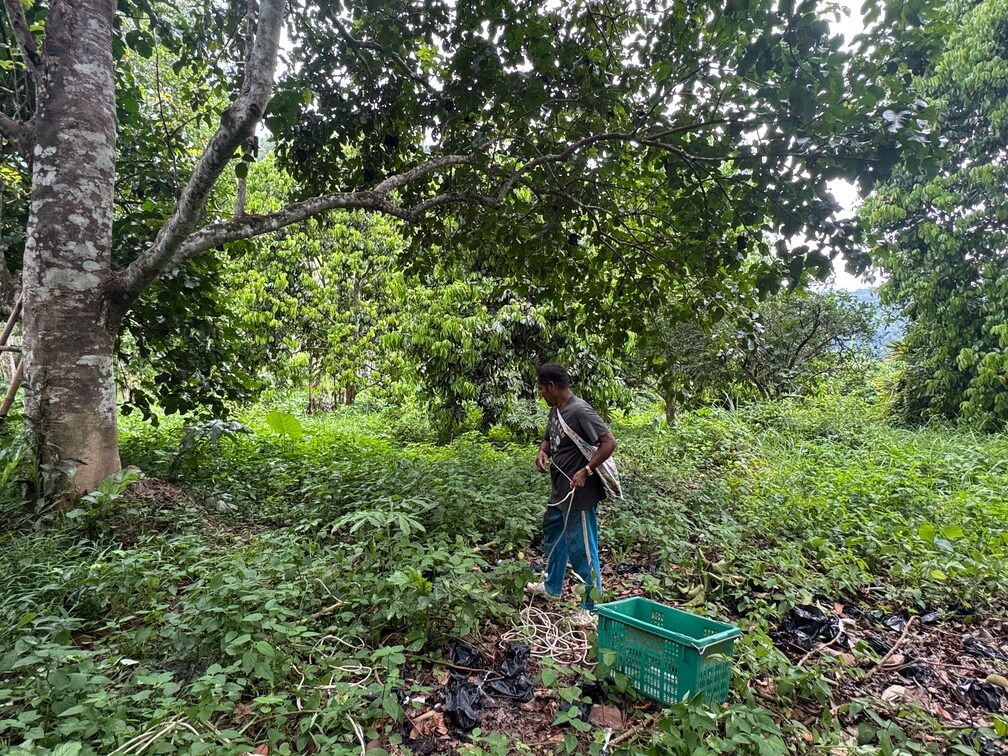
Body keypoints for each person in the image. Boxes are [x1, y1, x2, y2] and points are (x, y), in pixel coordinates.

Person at [526, 363, 617, 627]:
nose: (541, 394)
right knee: (554, 537)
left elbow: (609, 442)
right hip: (559, 491)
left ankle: (591, 606)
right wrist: (543, 451)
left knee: (583, 548)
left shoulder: (580, 410)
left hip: (579, 493)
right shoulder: (556, 410)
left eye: (542, 389)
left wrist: (586, 470)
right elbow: (550, 438)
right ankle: (552, 587)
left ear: (551, 387)